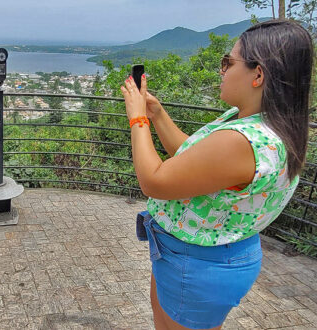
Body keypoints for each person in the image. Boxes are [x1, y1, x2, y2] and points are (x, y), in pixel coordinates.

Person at [121, 20, 313, 330]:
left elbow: (154, 181)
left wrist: (138, 119)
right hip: (209, 255)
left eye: (229, 62)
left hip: (196, 263)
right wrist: (156, 114)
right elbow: (194, 162)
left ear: (258, 74)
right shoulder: (264, 125)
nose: (221, 70)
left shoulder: (241, 141)